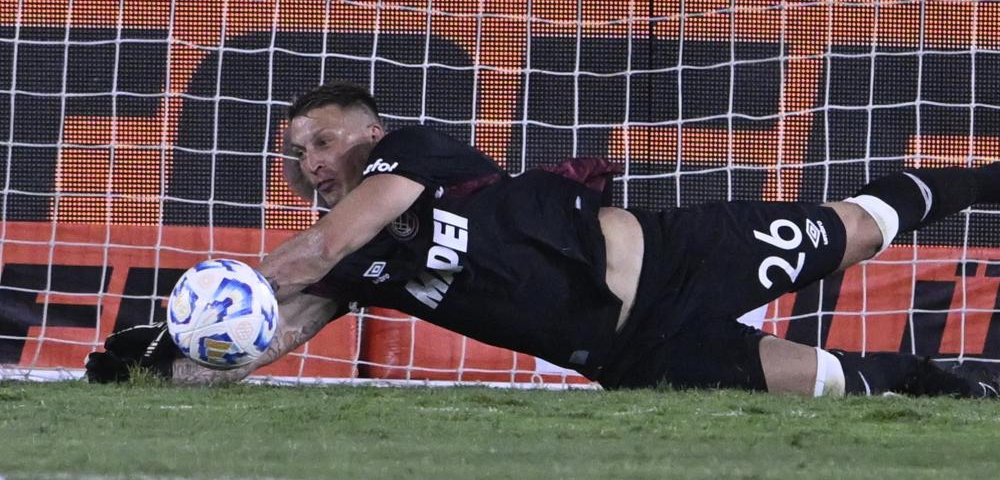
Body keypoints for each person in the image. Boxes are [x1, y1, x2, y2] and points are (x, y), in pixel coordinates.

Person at [86, 81, 1000, 397]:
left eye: (322, 140)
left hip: (681, 255)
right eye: (296, 153)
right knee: (838, 386)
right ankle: (936, 386)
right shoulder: (355, 269)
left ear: (365, 132)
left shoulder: (411, 154)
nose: (311, 160)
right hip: (635, 351)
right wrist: (168, 366)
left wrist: (214, 297)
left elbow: (314, 256)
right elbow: (274, 335)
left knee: (861, 227)